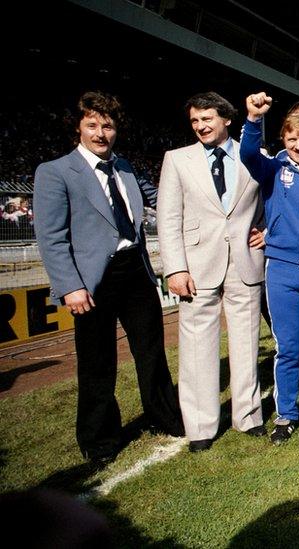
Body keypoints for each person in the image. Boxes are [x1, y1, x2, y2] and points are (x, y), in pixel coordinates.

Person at [34, 91, 184, 466]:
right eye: (92, 125)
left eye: (108, 125)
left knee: (151, 352)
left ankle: (163, 415)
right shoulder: (53, 172)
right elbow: (52, 237)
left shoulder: (127, 167)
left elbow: (165, 197)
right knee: (97, 362)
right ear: (78, 128)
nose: (101, 133)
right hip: (91, 280)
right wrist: (70, 286)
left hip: (135, 269)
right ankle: (99, 438)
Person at [156, 92, 267, 452]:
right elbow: (168, 219)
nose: (201, 126)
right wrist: (175, 268)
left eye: (208, 119)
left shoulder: (253, 156)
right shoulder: (177, 160)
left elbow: (268, 205)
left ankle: (248, 417)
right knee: (196, 348)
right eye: (195, 121)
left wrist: (267, 231)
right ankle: (201, 427)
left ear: (227, 119)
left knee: (246, 342)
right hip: (197, 267)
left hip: (246, 262)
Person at [240, 92, 299, 444]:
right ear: (283, 140)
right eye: (291, 139)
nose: (298, 145)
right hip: (280, 269)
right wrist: (253, 120)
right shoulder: (274, 168)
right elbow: (248, 154)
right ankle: (286, 414)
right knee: (289, 347)